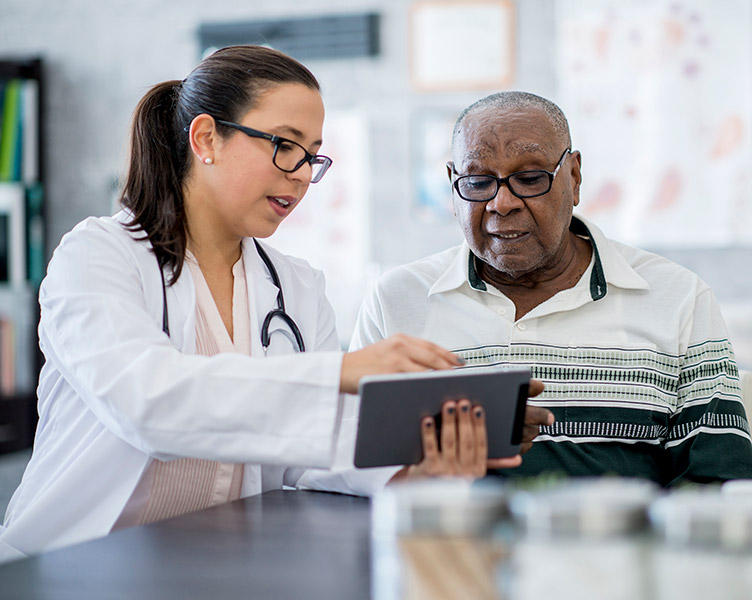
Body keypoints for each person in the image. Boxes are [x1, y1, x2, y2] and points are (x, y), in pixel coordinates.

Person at [0, 46, 527, 563]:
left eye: (312, 155)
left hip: (216, 565)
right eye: (284, 144)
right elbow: (146, 404)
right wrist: (337, 372)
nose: (300, 173)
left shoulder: (296, 287)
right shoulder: (97, 255)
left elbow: (316, 448)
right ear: (206, 138)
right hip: (74, 566)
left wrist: (415, 463)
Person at [351, 91, 752, 486]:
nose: (502, 203)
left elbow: (719, 487)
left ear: (575, 177)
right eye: (477, 182)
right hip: (447, 550)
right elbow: (347, 472)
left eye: (529, 179)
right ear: (453, 185)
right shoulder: (396, 301)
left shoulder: (678, 298)